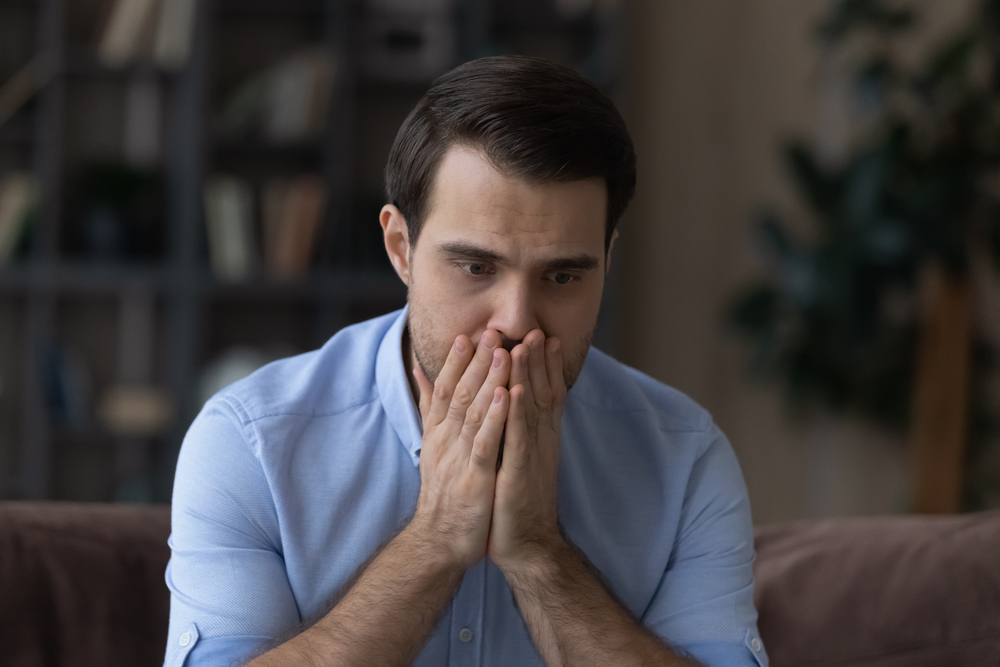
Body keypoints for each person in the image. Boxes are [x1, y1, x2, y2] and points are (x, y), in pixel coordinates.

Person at [163, 55, 768, 667]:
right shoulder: (250, 443)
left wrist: (539, 553)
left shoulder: (685, 458)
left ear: (607, 262)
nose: (517, 322)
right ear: (401, 247)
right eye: (477, 267)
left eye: (562, 276)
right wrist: (436, 539)